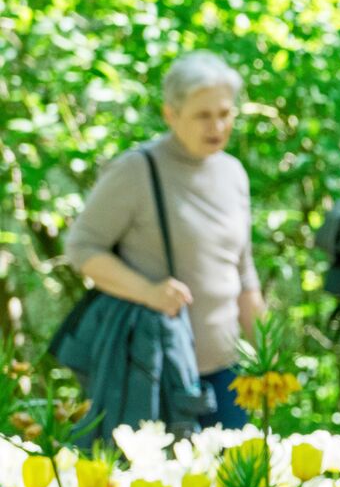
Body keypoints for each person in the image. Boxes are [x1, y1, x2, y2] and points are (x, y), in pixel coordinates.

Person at [64, 50, 265, 430]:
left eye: (225, 114)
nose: (217, 126)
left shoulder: (233, 173)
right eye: (203, 115)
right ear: (171, 114)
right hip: (156, 372)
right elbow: (82, 247)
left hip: (228, 372)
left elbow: (244, 273)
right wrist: (148, 291)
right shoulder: (136, 170)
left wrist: (268, 361)